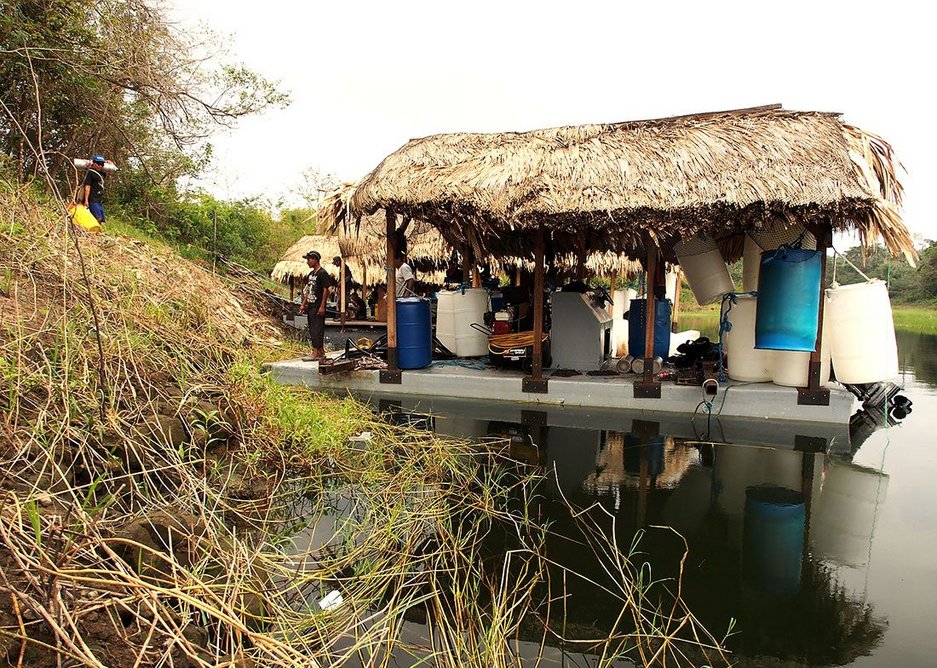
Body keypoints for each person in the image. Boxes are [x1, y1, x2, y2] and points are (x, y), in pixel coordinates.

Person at [298, 250, 332, 360]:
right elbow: (308, 291)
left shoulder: (322, 273)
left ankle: (316, 351)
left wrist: (322, 306)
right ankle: (321, 350)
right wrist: (303, 304)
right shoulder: (311, 274)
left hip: (318, 305)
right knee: (312, 327)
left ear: (315, 260)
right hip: (311, 305)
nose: (307, 262)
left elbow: (326, 290)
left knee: (317, 328)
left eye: (309, 259)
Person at [80, 155, 107, 223]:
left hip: (99, 200)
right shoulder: (90, 173)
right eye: (98, 164)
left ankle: (95, 232)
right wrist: (86, 200)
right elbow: (87, 187)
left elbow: (112, 170)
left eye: (102, 164)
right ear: (94, 163)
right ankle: (91, 232)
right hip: (92, 199)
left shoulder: (101, 173)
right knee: (98, 218)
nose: (100, 166)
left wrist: (108, 162)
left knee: (101, 219)